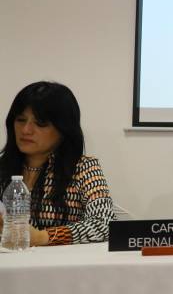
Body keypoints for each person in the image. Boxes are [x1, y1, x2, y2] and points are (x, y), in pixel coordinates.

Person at [0, 81, 114, 245]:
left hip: (61, 266)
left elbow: (105, 224)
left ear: (63, 129)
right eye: (20, 120)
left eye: (40, 123)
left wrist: (43, 237)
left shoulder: (83, 168)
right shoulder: (3, 168)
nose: (26, 130)